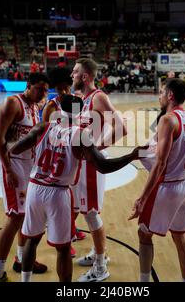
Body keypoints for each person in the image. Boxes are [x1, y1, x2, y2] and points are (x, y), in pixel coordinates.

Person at [10, 94, 145, 282]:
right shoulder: (80, 134)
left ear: (59, 110)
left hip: (35, 189)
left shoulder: (43, 127)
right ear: (81, 112)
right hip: (57, 193)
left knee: (32, 241)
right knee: (63, 248)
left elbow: (14, 150)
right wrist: (131, 156)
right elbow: (103, 166)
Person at [129, 79, 185, 282]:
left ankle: (143, 283)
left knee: (144, 234)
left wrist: (142, 198)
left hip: (168, 187)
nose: (159, 96)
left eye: (161, 92)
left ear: (170, 96)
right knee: (180, 238)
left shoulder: (167, 119)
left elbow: (160, 164)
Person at [0, 73, 49, 282]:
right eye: (39, 89)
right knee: (14, 217)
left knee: (25, 216)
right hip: (11, 165)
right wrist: (9, 170)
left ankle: (21, 259)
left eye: (45, 90)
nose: (42, 94)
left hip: (28, 167)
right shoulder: (12, 103)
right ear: (28, 86)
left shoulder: (34, 106)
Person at [70, 58, 127, 282]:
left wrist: (97, 148)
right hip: (81, 166)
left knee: (91, 213)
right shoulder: (81, 99)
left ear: (85, 77)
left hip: (91, 167)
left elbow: (122, 127)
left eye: (75, 72)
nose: (72, 75)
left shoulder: (99, 97)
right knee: (87, 212)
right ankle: (97, 252)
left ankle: (101, 267)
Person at [43, 67, 87, 258]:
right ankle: (65, 237)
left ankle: (72, 226)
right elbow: (44, 134)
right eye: (60, 88)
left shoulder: (76, 101)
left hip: (74, 154)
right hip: (58, 157)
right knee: (64, 201)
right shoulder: (51, 106)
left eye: (66, 87)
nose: (63, 91)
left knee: (74, 200)